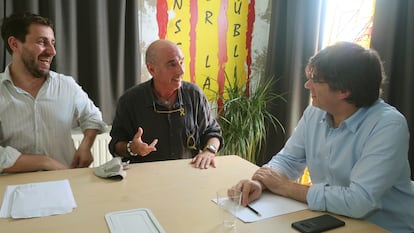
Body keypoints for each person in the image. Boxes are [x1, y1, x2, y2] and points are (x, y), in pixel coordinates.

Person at [232, 42, 414, 232]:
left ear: (344, 91)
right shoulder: (315, 112)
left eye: (314, 79)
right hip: (331, 219)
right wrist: (260, 182)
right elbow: (289, 159)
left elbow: (359, 201)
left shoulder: (388, 125)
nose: (307, 85)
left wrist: (287, 187)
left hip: (383, 227)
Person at [0, 12, 107, 173]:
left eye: (52, 43)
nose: (52, 51)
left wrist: (86, 146)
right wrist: (43, 162)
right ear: (14, 44)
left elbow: (93, 117)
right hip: (14, 189)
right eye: (42, 42)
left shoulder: (67, 85)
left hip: (65, 183)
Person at [109, 39, 222, 169]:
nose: (181, 71)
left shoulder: (194, 95)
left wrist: (209, 151)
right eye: (172, 65)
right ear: (152, 69)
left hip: (187, 175)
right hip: (146, 179)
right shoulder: (130, 100)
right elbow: (116, 145)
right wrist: (132, 148)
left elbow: (212, 132)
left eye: (181, 62)